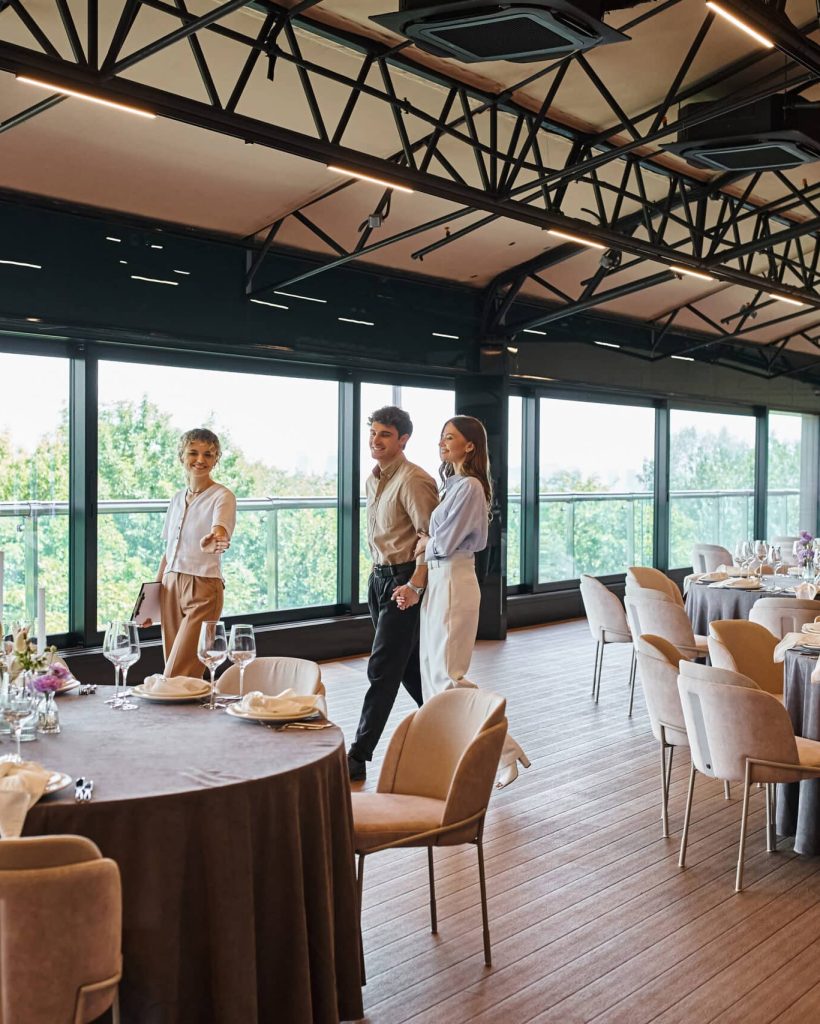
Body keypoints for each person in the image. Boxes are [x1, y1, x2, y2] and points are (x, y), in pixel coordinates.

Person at [396, 416, 531, 788]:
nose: (442, 443)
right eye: (441, 437)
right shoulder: (452, 484)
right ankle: (457, 753)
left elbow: (447, 540)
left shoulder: (470, 486)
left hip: (454, 577)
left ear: (470, 445)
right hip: (440, 578)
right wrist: (427, 551)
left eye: (450, 438)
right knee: (431, 676)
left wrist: (427, 543)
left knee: (447, 676)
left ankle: (503, 750)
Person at [347, 406, 439, 782]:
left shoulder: (415, 480)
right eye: (373, 433)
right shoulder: (373, 480)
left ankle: (358, 755)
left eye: (385, 434)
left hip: (404, 580)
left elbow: (430, 536)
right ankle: (455, 726)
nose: (375, 440)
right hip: (378, 578)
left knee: (382, 668)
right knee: (409, 669)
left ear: (403, 440)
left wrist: (415, 584)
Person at [147, 428, 236, 679]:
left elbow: (221, 530)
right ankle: (188, 718)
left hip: (203, 586)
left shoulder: (223, 496)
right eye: (193, 453)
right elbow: (168, 552)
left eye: (208, 454)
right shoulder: (176, 499)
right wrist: (151, 598)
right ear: (181, 456)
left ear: (216, 459)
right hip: (170, 585)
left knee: (179, 671)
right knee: (176, 669)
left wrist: (215, 538)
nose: (201, 460)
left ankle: (171, 718)